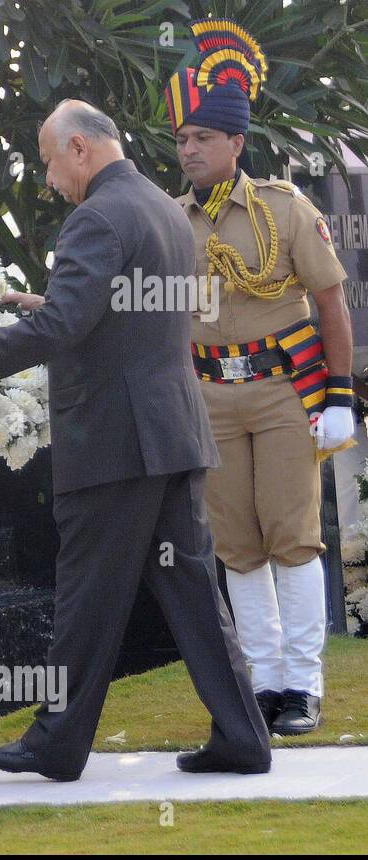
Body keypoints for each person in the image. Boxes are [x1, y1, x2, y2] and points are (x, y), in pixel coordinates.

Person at [0, 99, 271, 780]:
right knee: (196, 594)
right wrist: (47, 304)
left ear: (81, 148)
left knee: (86, 593)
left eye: (53, 162)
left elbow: (64, 331)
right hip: (171, 433)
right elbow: (116, 317)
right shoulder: (164, 209)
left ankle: (56, 742)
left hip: (116, 441)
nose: (52, 179)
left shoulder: (95, 217)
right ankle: (243, 737)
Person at [166, 17, 356, 735]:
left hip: (282, 393)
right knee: (238, 546)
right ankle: (265, 682)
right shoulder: (169, 221)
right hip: (208, 395)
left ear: (236, 143)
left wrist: (338, 395)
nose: (188, 150)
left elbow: (331, 301)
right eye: (182, 140)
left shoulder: (284, 208)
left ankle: (302, 688)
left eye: (202, 139)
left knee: (292, 536)